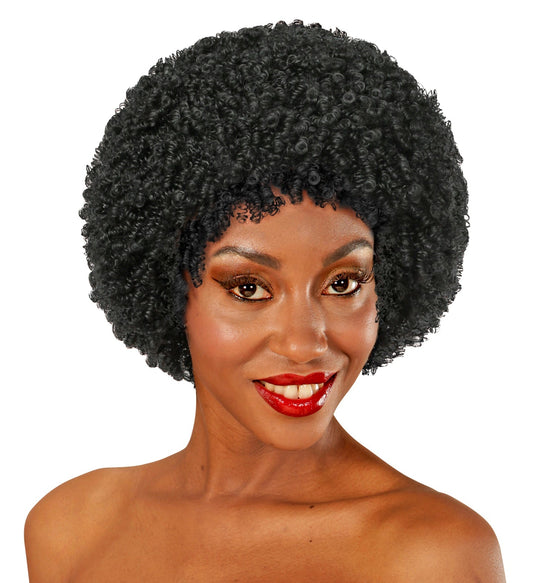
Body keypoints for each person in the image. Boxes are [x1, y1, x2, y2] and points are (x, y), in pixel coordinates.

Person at [24, 21, 505, 581]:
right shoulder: (71, 528)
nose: (304, 344)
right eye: (249, 288)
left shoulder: (430, 554)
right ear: (170, 288)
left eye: (343, 283)